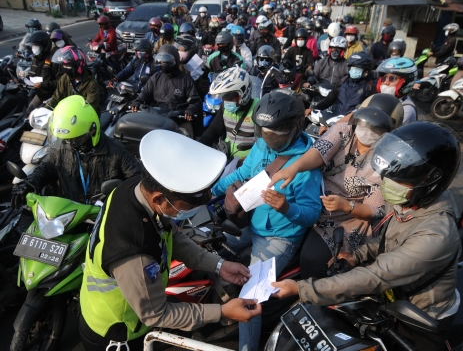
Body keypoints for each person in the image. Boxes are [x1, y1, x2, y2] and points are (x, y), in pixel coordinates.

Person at [272, 121, 462, 351]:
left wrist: (302, 289)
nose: (386, 184)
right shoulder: (411, 200)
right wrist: (356, 255)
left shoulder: (436, 235)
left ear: (428, 181)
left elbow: (376, 275)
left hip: (420, 314)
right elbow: (387, 241)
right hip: (392, 296)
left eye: (398, 180)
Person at [78, 129, 261, 350]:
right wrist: (222, 311)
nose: (192, 211)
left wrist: (218, 265)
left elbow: (171, 234)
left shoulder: (135, 188)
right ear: (159, 199)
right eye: (189, 205)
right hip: (117, 331)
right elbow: (156, 315)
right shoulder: (135, 251)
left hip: (123, 308)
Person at [212, 89, 322, 351]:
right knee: (205, 244)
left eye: (275, 134)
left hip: (279, 238)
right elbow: (242, 173)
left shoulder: (306, 166)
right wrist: (208, 192)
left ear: (294, 128)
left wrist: (286, 207)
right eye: (265, 132)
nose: (269, 139)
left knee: (250, 298)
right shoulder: (261, 146)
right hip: (249, 224)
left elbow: (311, 214)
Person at [271, 95, 404, 278]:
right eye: (364, 122)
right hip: (315, 198)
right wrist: (294, 168)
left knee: (313, 259)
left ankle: (315, 296)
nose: (366, 130)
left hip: (347, 217)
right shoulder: (344, 130)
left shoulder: (388, 159)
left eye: (376, 127)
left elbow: (374, 209)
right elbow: (319, 151)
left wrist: (346, 206)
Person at [11, 95, 141, 208]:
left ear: (92, 131)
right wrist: (29, 184)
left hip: (103, 216)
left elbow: (137, 180)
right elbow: (46, 168)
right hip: (70, 213)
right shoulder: (62, 147)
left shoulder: (117, 153)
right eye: (67, 139)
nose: (71, 144)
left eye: (77, 139)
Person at [132, 45, 201, 138]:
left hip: (179, 120)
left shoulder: (185, 79)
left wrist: (190, 109)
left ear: (175, 61)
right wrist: (138, 101)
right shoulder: (155, 78)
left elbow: (195, 100)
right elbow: (145, 93)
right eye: (162, 62)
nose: (164, 65)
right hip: (157, 118)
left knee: (189, 141)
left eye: (167, 62)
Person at [199, 67, 259, 161]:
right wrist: (199, 145)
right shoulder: (224, 107)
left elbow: (264, 145)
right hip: (226, 159)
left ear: (243, 93)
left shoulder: (258, 109)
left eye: (229, 97)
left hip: (248, 163)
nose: (225, 101)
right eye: (223, 97)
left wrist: (248, 161)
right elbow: (214, 129)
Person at [305, 51, 374, 117]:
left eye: (357, 67)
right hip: (335, 120)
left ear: (366, 70)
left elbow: (367, 111)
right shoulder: (342, 81)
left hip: (352, 124)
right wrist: (313, 109)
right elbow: (328, 100)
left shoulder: (370, 87)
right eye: (352, 67)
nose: (354, 69)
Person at [47, 46, 101, 115]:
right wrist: (44, 110)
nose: (65, 68)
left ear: (78, 65)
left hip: (87, 120)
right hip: (68, 117)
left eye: (68, 65)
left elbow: (90, 108)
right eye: (64, 65)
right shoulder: (65, 78)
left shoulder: (91, 84)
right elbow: (56, 98)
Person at [375, 57, 418, 125]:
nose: (386, 82)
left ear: (406, 82)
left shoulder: (406, 109)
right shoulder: (381, 99)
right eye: (383, 78)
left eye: (392, 78)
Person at [26, 31, 58, 113]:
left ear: (44, 46)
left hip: (53, 95)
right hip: (41, 94)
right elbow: (33, 75)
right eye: (33, 45)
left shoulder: (53, 59)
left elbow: (61, 81)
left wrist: (43, 84)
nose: (34, 48)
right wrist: (22, 79)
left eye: (37, 46)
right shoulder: (36, 59)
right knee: (29, 112)